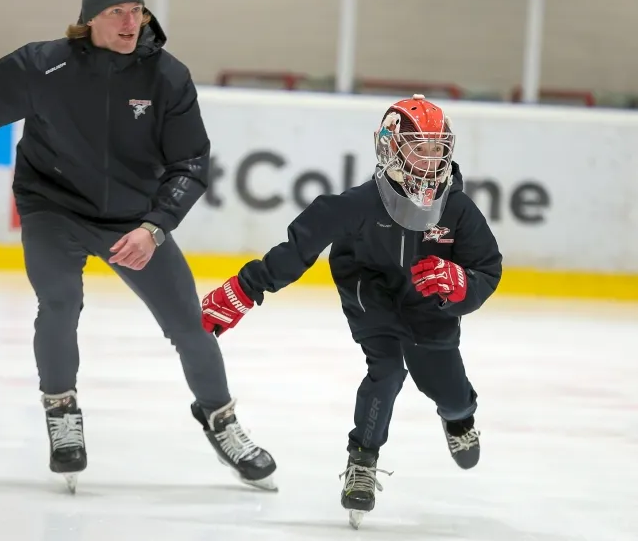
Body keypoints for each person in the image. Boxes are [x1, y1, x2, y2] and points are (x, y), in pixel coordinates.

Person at [0, 0, 276, 493]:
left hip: (134, 219)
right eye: (117, 12)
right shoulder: (41, 67)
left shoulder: (167, 77)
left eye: (138, 11)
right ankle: (62, 410)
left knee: (189, 324)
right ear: (90, 17)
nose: (130, 22)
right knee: (60, 303)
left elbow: (191, 163)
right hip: (53, 206)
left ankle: (219, 417)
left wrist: (154, 227)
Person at [199, 94, 502, 527]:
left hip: (428, 300)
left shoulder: (457, 209)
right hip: (369, 291)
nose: (432, 160)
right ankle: (362, 459)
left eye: (439, 149)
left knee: (447, 389)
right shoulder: (358, 205)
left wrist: (463, 287)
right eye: (420, 148)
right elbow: (298, 248)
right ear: (390, 148)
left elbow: (487, 268)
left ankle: (458, 418)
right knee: (388, 369)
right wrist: (246, 288)